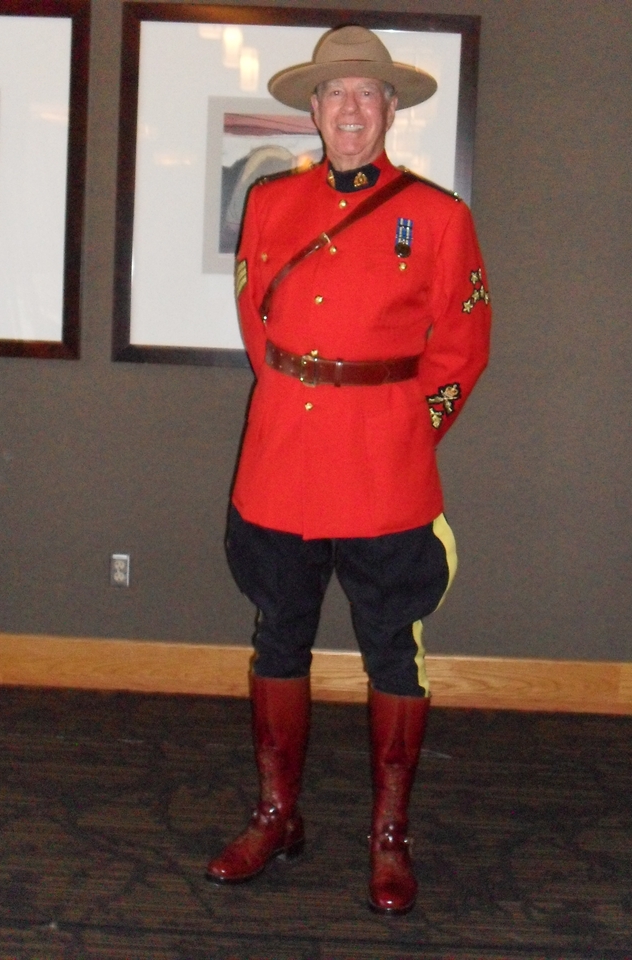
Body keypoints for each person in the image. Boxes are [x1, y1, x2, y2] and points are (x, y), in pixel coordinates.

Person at [206, 25, 491, 915]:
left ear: (391, 110)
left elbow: (464, 350)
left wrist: (407, 426)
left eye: (368, 94)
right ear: (315, 110)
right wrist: (302, 399)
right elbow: (261, 329)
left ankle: (389, 837)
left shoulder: (439, 218)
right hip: (282, 459)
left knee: (392, 655)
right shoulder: (270, 205)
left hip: (385, 468)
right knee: (276, 637)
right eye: (335, 94)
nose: (351, 110)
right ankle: (277, 813)